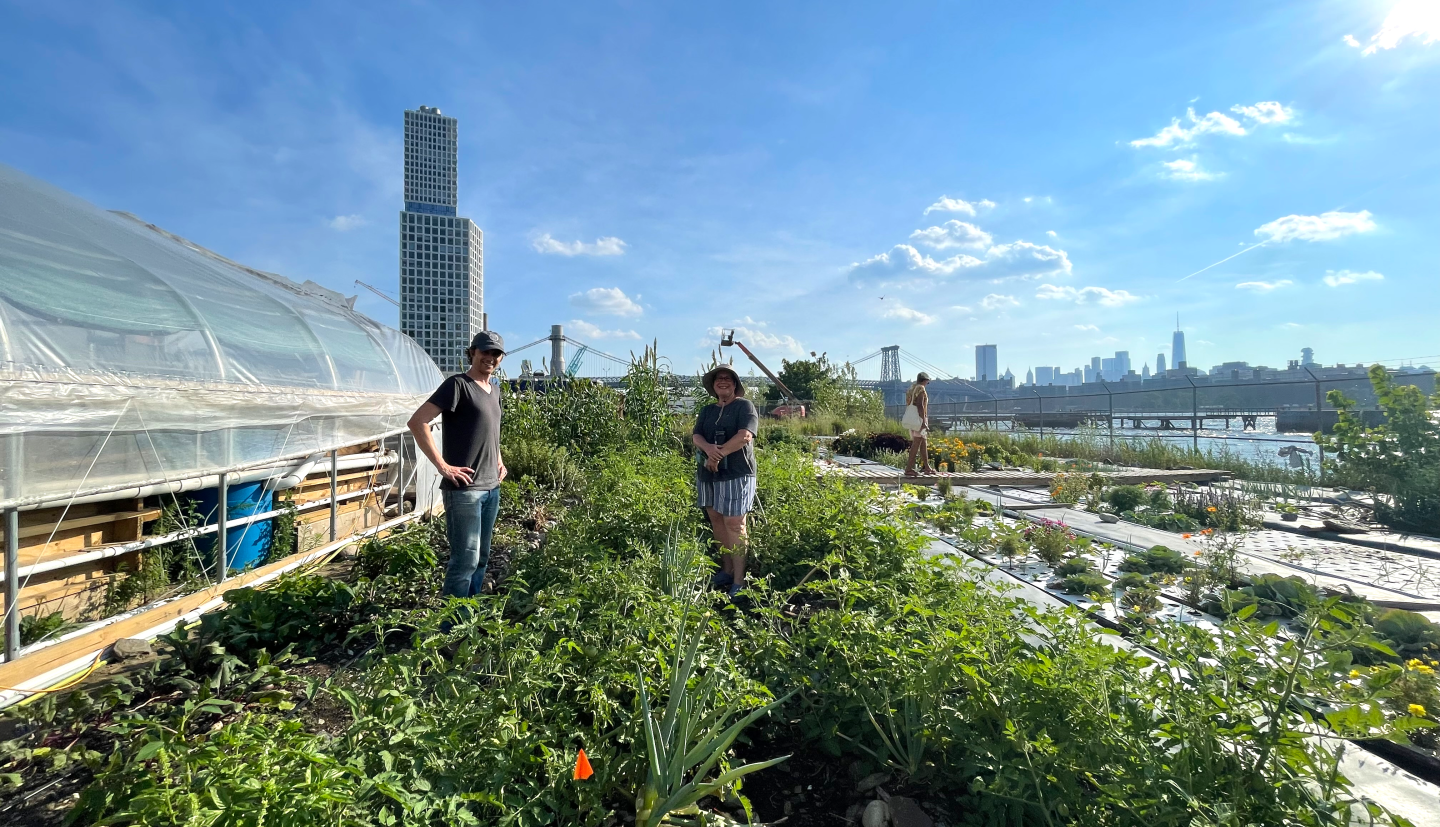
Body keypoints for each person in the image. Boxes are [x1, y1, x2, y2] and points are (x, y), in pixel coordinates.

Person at [408, 331, 508, 598]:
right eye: (485, 351)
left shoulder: (494, 390)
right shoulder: (457, 385)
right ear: (472, 352)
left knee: (482, 559)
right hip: (465, 490)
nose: (490, 357)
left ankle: (469, 616)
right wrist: (443, 466)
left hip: (491, 487)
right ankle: (451, 627)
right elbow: (418, 422)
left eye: (496, 353)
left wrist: (498, 459)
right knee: (464, 561)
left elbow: (490, 431)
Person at [692, 365, 759, 600]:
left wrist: (716, 454)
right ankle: (727, 570)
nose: (722, 381)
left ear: (735, 384)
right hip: (709, 474)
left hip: (737, 473)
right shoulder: (707, 410)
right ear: (712, 385)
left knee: (734, 522)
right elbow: (696, 435)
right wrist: (709, 449)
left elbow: (745, 436)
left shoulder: (744, 406)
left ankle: (739, 581)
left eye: (728, 379)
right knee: (717, 519)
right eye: (718, 378)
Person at [904, 372, 935, 476]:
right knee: (917, 443)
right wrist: (923, 422)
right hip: (919, 420)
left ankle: (927, 468)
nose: (928, 383)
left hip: (912, 419)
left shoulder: (912, 388)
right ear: (924, 380)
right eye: (928, 381)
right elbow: (920, 406)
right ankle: (908, 469)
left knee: (923, 442)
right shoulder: (921, 389)